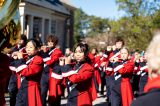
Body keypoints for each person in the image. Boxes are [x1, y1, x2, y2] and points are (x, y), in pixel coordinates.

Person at [9, 39, 43, 106]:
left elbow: (27, 72)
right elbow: (14, 69)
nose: (28, 49)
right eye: (27, 47)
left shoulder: (38, 59)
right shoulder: (26, 59)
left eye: (31, 47)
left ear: (37, 49)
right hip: (22, 87)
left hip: (31, 89)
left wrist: (21, 59)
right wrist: (14, 59)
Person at [131, 32, 160, 106]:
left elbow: (146, 69)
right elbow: (139, 69)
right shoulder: (141, 62)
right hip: (142, 81)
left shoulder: (139, 103)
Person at [40, 35, 63, 106]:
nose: (50, 43)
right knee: (42, 92)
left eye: (52, 42)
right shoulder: (46, 50)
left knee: (53, 93)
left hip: (52, 74)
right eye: (49, 42)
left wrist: (44, 53)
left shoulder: (57, 51)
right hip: (44, 74)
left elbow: (50, 62)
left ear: (55, 43)